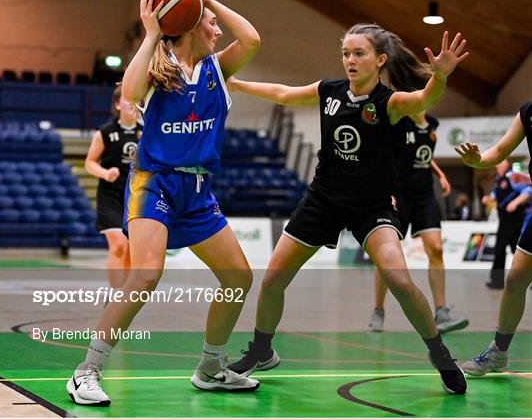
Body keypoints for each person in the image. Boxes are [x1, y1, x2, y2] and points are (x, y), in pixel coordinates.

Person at [227, 25, 469, 394]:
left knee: (401, 281)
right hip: (324, 199)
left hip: (371, 206)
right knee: (273, 278)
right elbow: (283, 92)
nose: (350, 60)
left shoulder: (390, 102)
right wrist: (238, 84)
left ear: (380, 60)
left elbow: (424, 99)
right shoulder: (330, 92)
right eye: (346, 53)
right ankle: (262, 349)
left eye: (359, 53)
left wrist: (441, 75)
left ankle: (440, 354)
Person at [67, 0, 261, 406]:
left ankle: (211, 367)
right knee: (146, 275)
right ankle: (86, 372)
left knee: (238, 277)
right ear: (192, 24)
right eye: (212, 22)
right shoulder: (159, 70)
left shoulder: (217, 69)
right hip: (154, 183)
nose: (219, 29)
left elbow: (251, 39)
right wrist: (152, 32)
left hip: (197, 190)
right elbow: (131, 92)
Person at [368, 112, 469, 333]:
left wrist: (440, 174)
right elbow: (384, 155)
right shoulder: (398, 121)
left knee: (436, 248)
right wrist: (386, 190)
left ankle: (441, 311)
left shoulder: (432, 123)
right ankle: (378, 309)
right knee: (385, 256)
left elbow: (423, 156)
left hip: (424, 195)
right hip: (399, 194)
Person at [456, 101, 532, 376]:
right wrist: (478, 161)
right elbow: (500, 150)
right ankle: (499, 353)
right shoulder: (528, 113)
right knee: (515, 280)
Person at [85, 86, 142, 288]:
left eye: (137, 100)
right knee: (118, 245)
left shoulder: (145, 131)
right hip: (110, 196)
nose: (133, 104)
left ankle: (124, 294)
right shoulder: (106, 132)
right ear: (118, 104)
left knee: (130, 249)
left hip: (135, 196)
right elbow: (89, 162)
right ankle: (116, 294)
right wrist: (105, 173)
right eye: (129, 100)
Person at [480, 159, 531, 289]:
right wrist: (488, 199)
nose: (499, 166)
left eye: (501, 163)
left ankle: (497, 281)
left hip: (514, 219)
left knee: (501, 249)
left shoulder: (512, 177)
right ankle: (498, 280)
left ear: (506, 165)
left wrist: (515, 203)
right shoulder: (499, 180)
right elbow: (496, 195)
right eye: (497, 164)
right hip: (504, 220)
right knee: (516, 249)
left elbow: (527, 191)